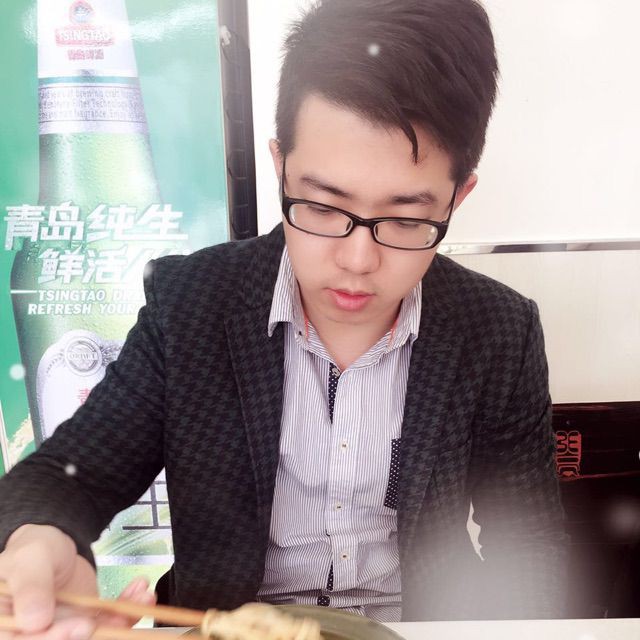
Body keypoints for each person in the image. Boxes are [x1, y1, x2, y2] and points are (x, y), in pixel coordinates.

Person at [0, 0, 568, 635]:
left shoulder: (498, 330)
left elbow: (531, 545)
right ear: (280, 167)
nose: (357, 261)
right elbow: (67, 477)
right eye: (322, 207)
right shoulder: (192, 304)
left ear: (458, 196)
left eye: (407, 219)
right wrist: (40, 537)